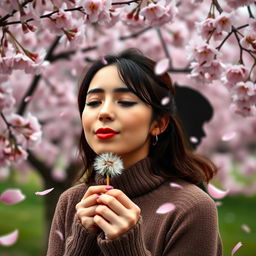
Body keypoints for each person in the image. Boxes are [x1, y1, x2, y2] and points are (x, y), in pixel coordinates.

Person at [47, 48, 223, 256]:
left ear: (158, 123)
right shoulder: (71, 202)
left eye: (125, 102)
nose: (104, 112)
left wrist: (127, 247)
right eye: (94, 102)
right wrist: (80, 243)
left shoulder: (191, 207)